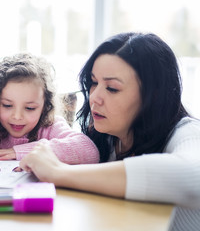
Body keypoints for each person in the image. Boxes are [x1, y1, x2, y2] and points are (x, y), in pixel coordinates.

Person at [18, 33, 200, 231]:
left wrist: (59, 172)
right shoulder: (107, 138)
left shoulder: (187, 132)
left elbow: (193, 177)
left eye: (112, 88)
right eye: (94, 82)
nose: (94, 97)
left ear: (153, 96)